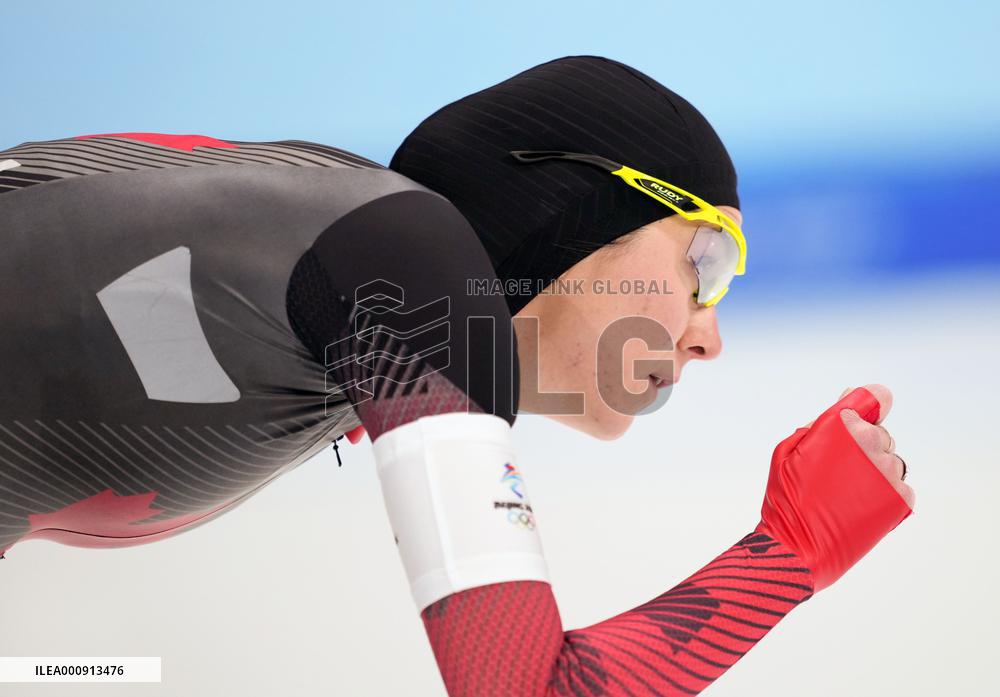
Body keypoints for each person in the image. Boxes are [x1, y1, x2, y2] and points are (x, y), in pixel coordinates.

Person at [0, 55, 913, 695]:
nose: (711, 335)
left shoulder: (339, 287)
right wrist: (791, 549)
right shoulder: (403, 260)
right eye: (707, 264)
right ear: (579, 208)